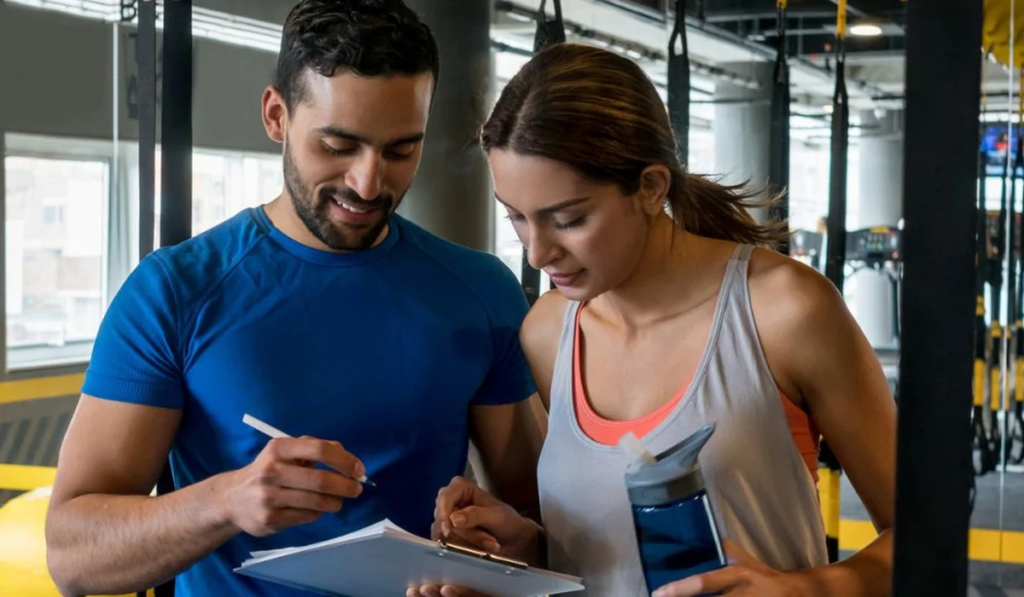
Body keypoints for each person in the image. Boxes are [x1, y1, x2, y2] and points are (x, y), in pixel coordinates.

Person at [44, 2, 543, 596]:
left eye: (401, 150)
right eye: (337, 146)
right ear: (277, 115)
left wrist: (496, 549)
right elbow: (73, 557)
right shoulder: (174, 292)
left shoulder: (481, 290)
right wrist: (225, 502)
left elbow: (538, 523)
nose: (368, 182)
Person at [417, 43, 896, 597]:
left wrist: (807, 590)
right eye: (517, 218)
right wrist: (523, 548)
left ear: (650, 187)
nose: (537, 253)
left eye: (568, 219)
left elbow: (930, 535)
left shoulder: (783, 309)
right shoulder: (549, 332)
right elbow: (612, 557)